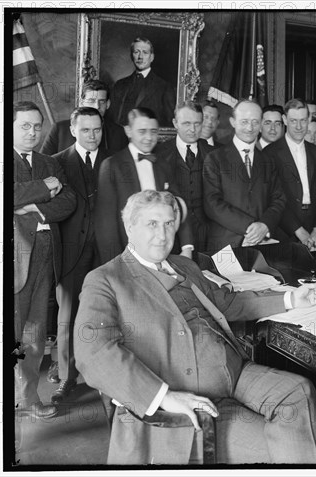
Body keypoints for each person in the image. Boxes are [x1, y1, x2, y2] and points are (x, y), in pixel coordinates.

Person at [74, 190, 316, 464]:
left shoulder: (184, 265)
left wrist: (290, 299)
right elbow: (93, 353)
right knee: (281, 451)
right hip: (189, 395)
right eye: (152, 224)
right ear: (129, 227)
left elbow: (225, 303)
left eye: (169, 223)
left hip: (233, 373)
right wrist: (163, 396)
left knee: (298, 390)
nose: (162, 234)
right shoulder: (106, 280)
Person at [13, 101, 76, 418]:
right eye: (25, 125)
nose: (32, 132)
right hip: (12, 260)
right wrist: (44, 187)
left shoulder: (49, 161)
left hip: (46, 255)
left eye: (37, 126)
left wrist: (33, 207)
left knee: (35, 337)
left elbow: (69, 201)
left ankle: (28, 398)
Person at [48, 107, 109, 399]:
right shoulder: (56, 163)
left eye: (97, 129)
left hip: (107, 250)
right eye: (85, 130)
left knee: (107, 313)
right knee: (67, 316)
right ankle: (66, 377)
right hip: (71, 251)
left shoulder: (113, 161)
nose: (92, 135)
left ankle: (105, 376)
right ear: (73, 130)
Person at [95, 107, 192, 264]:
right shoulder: (112, 166)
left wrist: (187, 247)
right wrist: (115, 265)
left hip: (163, 251)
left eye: (153, 131)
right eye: (142, 131)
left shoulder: (163, 164)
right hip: (128, 255)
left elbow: (179, 205)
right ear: (128, 131)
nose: (149, 137)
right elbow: (106, 225)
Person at [203, 99, 286, 251]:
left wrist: (264, 226)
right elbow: (211, 203)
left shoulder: (268, 161)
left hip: (262, 245)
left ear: (261, 124)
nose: (250, 127)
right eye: (244, 121)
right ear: (233, 122)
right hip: (225, 246)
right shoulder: (215, 158)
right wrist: (250, 227)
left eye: (255, 122)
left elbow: (279, 199)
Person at [265, 98, 316, 250]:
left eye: (303, 120)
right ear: (284, 120)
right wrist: (299, 231)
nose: (299, 126)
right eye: (293, 121)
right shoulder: (270, 153)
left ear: (309, 119)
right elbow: (274, 198)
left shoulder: (315, 151)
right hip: (284, 230)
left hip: (313, 231)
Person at [154, 101, 212, 252]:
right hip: (172, 233)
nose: (192, 129)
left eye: (197, 124)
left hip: (209, 234)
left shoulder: (214, 153)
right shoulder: (158, 154)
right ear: (175, 123)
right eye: (186, 123)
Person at [41, 79, 127, 156]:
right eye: (91, 101)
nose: (97, 106)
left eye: (102, 101)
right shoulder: (59, 129)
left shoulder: (119, 132)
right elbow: (42, 164)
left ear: (108, 104)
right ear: (81, 103)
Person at [108, 37, 175, 127]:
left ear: (152, 57)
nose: (140, 57)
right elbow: (113, 118)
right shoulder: (120, 85)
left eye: (145, 53)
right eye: (136, 52)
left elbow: (170, 123)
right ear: (132, 56)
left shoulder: (164, 87)